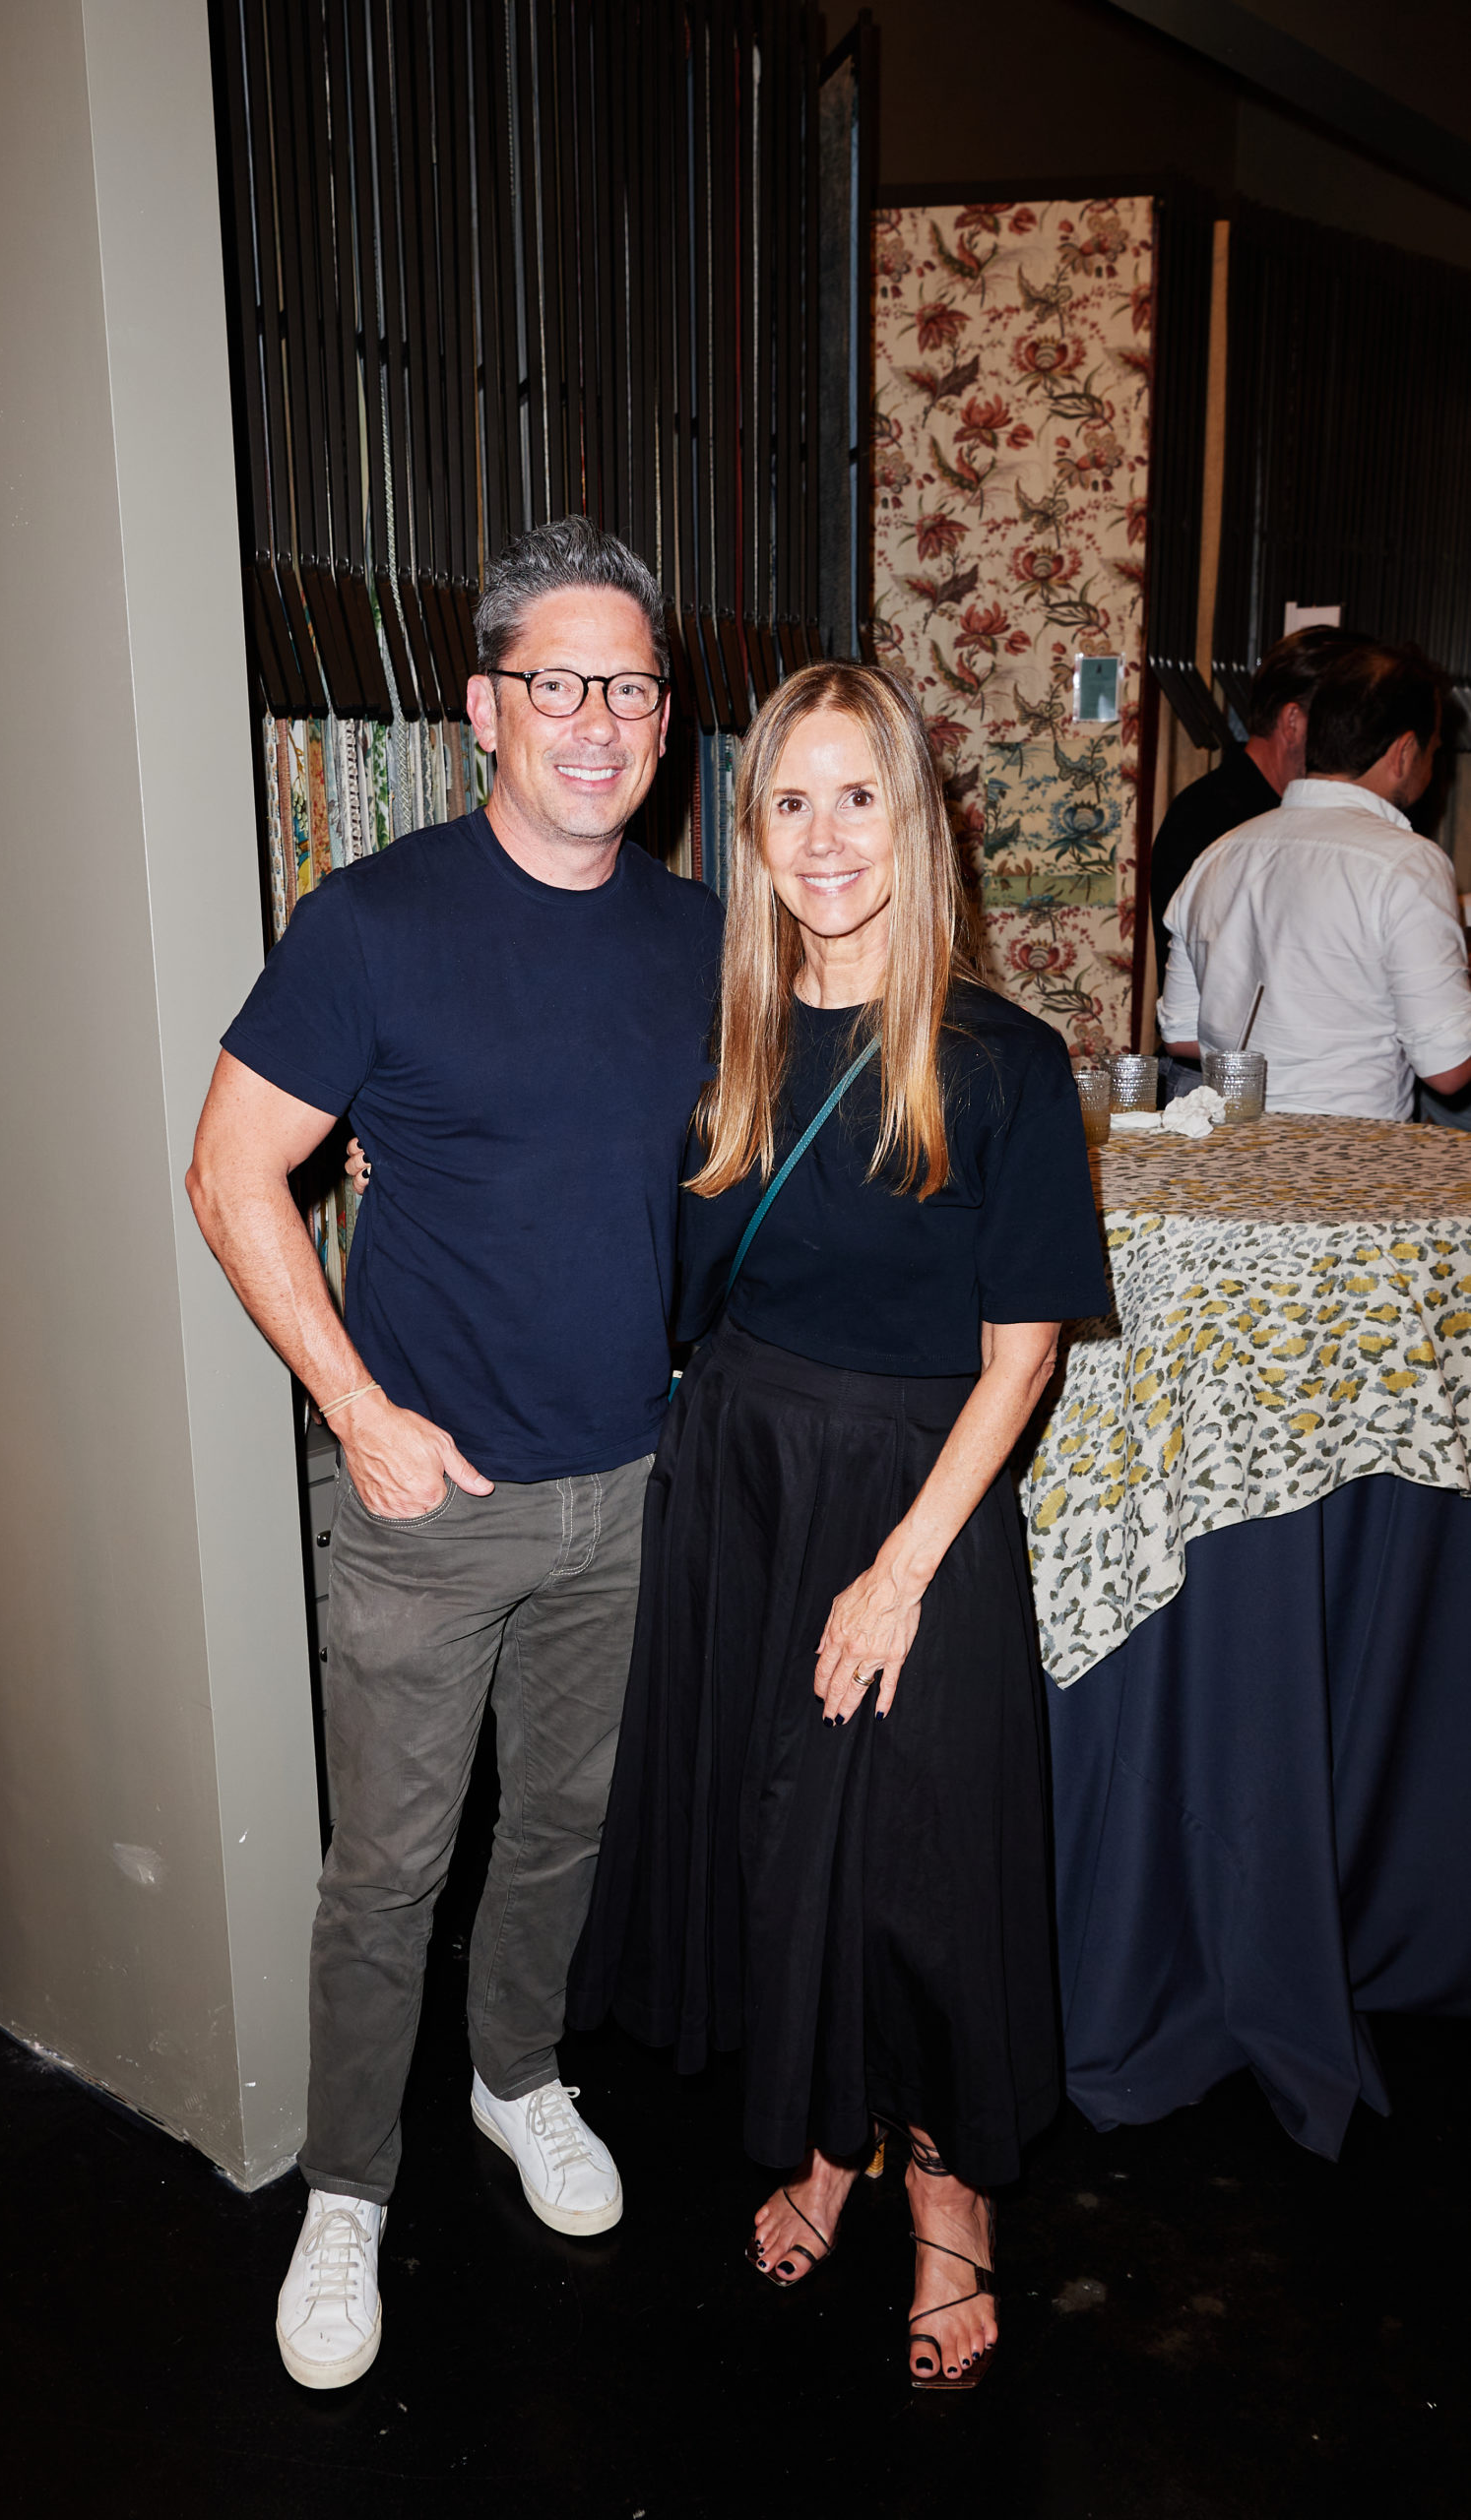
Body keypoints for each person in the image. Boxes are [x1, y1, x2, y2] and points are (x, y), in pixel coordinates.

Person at [187, 518, 723, 2388]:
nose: (597, 719)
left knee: (561, 1830)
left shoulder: (700, 940)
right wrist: (358, 1411)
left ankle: (516, 2075)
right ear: (482, 707)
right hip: (428, 1503)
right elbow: (230, 1175)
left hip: (626, 1486)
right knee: (388, 1873)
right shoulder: (373, 923)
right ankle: (346, 2189)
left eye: (631, 686)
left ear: (665, 718)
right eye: (555, 682)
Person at [568, 662, 1110, 2390]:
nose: (822, 838)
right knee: (776, 1838)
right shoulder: (718, 1047)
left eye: (856, 797)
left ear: (915, 821)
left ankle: (949, 2198)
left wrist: (894, 1573)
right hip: (741, 1479)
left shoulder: (1001, 1061)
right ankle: (820, 2141)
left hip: (912, 1499)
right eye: (787, 804)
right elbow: (591, 1200)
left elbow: (1022, 1357)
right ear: (750, 838)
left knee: (918, 1868)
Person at [1158, 644, 1471, 1117]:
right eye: (1435, 751)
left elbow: (1181, 1035)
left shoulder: (1219, 853)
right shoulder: (1408, 863)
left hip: (1231, 1144)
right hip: (1351, 1151)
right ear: (1405, 752)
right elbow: (1448, 1069)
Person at [1150, 624, 1361, 988]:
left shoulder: (1306, 814)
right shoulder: (1207, 818)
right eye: (1348, 723)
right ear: (1293, 722)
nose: (1360, 742)